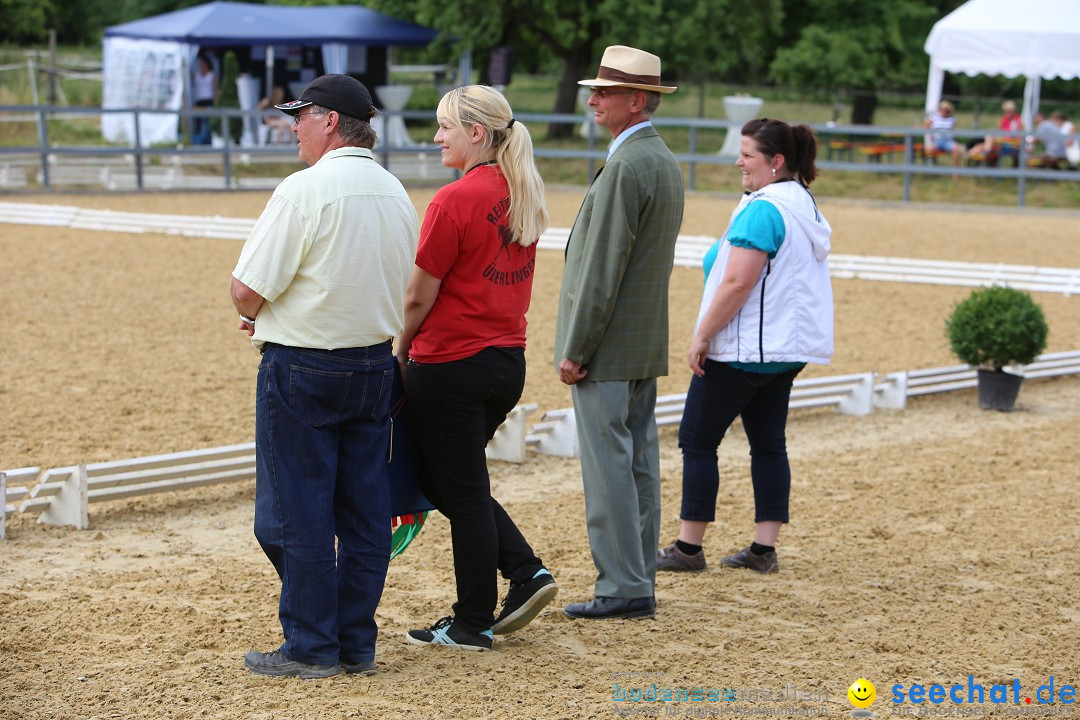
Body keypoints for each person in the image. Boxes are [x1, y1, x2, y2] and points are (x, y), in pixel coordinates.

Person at [231, 74, 419, 678]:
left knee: (292, 513)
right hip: (372, 361)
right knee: (364, 514)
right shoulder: (395, 191)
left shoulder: (305, 190)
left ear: (331, 122)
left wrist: (261, 313)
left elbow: (246, 289)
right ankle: (353, 640)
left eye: (302, 115)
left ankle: (312, 644)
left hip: (305, 365)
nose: (294, 125)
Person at [397, 85, 556, 651]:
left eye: (444, 127)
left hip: (450, 363)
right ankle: (524, 571)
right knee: (454, 481)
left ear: (476, 133)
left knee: (458, 490)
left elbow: (418, 296)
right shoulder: (522, 190)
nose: (436, 137)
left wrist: (399, 351)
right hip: (504, 361)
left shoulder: (454, 199)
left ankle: (472, 620)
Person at [656, 118, 833, 576]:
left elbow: (737, 282)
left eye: (747, 155)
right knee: (769, 443)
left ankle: (688, 548)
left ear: (776, 162)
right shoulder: (803, 203)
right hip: (784, 351)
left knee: (697, 440)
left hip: (744, 350)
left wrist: (702, 336)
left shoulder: (763, 209)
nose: (738, 161)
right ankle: (762, 548)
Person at [554, 45, 685, 621]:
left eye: (603, 92)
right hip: (640, 339)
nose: (592, 99)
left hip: (606, 346)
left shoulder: (628, 164)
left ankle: (624, 585)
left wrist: (576, 348)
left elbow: (601, 269)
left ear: (637, 101)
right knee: (638, 463)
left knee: (609, 467)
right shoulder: (660, 159)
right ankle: (636, 576)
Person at [968, 100, 1023, 165]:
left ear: (1013, 111)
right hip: (1002, 143)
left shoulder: (1018, 120)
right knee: (983, 142)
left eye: (1008, 111)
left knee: (987, 140)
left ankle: (982, 152)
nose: (1007, 113)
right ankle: (980, 152)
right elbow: (1000, 132)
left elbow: (1020, 136)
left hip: (1011, 145)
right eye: (1005, 111)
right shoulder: (1004, 120)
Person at [924, 100, 964, 167]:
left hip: (948, 140)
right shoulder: (934, 117)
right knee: (929, 151)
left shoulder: (952, 119)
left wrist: (954, 135)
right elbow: (926, 126)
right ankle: (930, 169)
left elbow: (954, 130)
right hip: (937, 140)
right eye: (943, 109)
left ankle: (956, 172)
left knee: (956, 149)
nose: (944, 111)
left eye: (946, 110)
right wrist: (931, 135)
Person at [191, 55, 217, 145]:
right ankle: (199, 142)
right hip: (199, 101)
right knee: (198, 123)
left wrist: (215, 102)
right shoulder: (196, 75)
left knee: (206, 124)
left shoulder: (211, 75)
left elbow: (215, 90)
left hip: (208, 101)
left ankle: (206, 142)